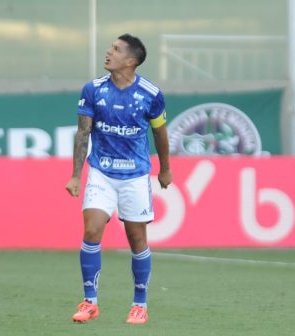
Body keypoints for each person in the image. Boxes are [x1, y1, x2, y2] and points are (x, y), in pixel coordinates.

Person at [65, 34, 172, 325]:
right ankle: (90, 302)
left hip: (135, 176)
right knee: (92, 230)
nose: (108, 52)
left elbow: (160, 133)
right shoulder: (93, 90)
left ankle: (140, 305)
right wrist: (76, 175)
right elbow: (83, 133)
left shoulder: (150, 94)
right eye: (110, 48)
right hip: (101, 172)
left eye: (116, 49)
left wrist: (165, 168)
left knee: (137, 239)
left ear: (131, 60)